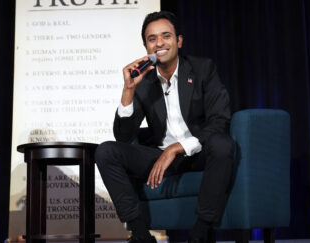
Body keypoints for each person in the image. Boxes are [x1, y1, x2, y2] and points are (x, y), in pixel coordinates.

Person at [95, 11, 235, 243]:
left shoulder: (203, 69)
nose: (159, 43)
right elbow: (123, 136)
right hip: (160, 156)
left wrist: (176, 148)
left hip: (196, 152)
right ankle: (140, 234)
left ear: (178, 41)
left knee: (223, 144)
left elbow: (220, 120)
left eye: (166, 36)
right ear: (146, 47)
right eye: (152, 39)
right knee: (106, 151)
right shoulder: (144, 82)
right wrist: (128, 89)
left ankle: (200, 233)